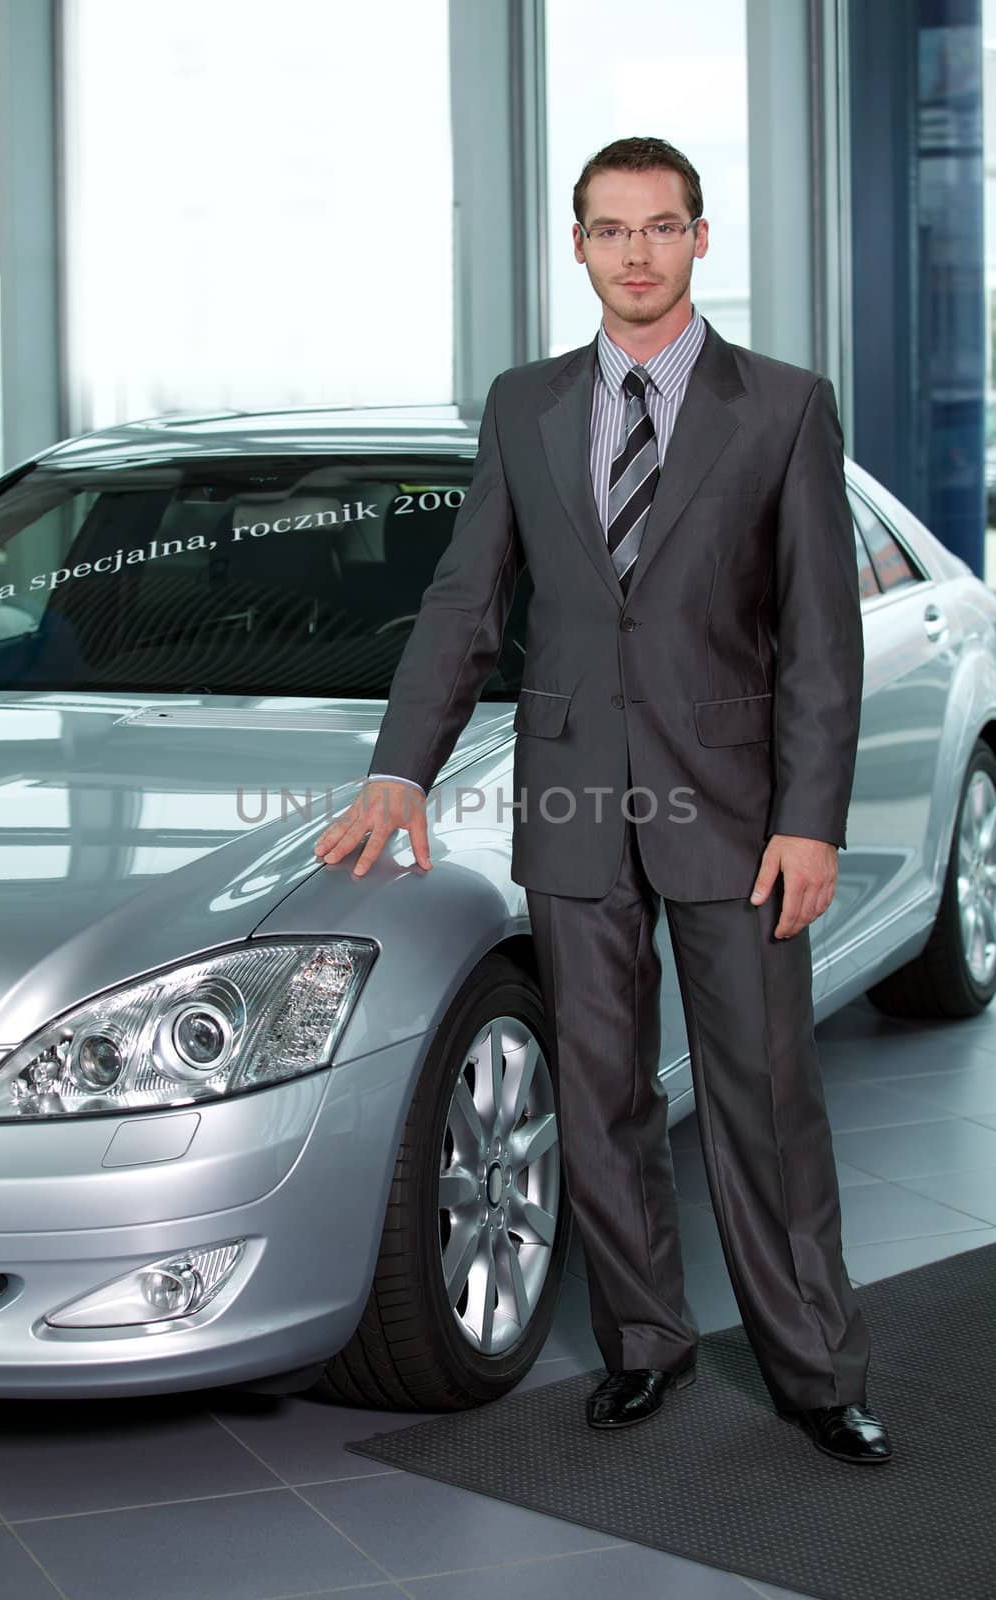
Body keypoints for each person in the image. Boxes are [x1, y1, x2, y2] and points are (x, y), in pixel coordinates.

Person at [313, 135, 891, 1465]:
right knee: (601, 1086)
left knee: (765, 1092)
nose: (638, 252)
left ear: (701, 240)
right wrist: (401, 765)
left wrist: (813, 819)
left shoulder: (786, 407)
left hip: (742, 815)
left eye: (662, 227)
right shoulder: (523, 405)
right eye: (611, 229)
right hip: (573, 802)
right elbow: (467, 605)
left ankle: (815, 1368)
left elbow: (820, 639)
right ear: (577, 246)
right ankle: (644, 1344)